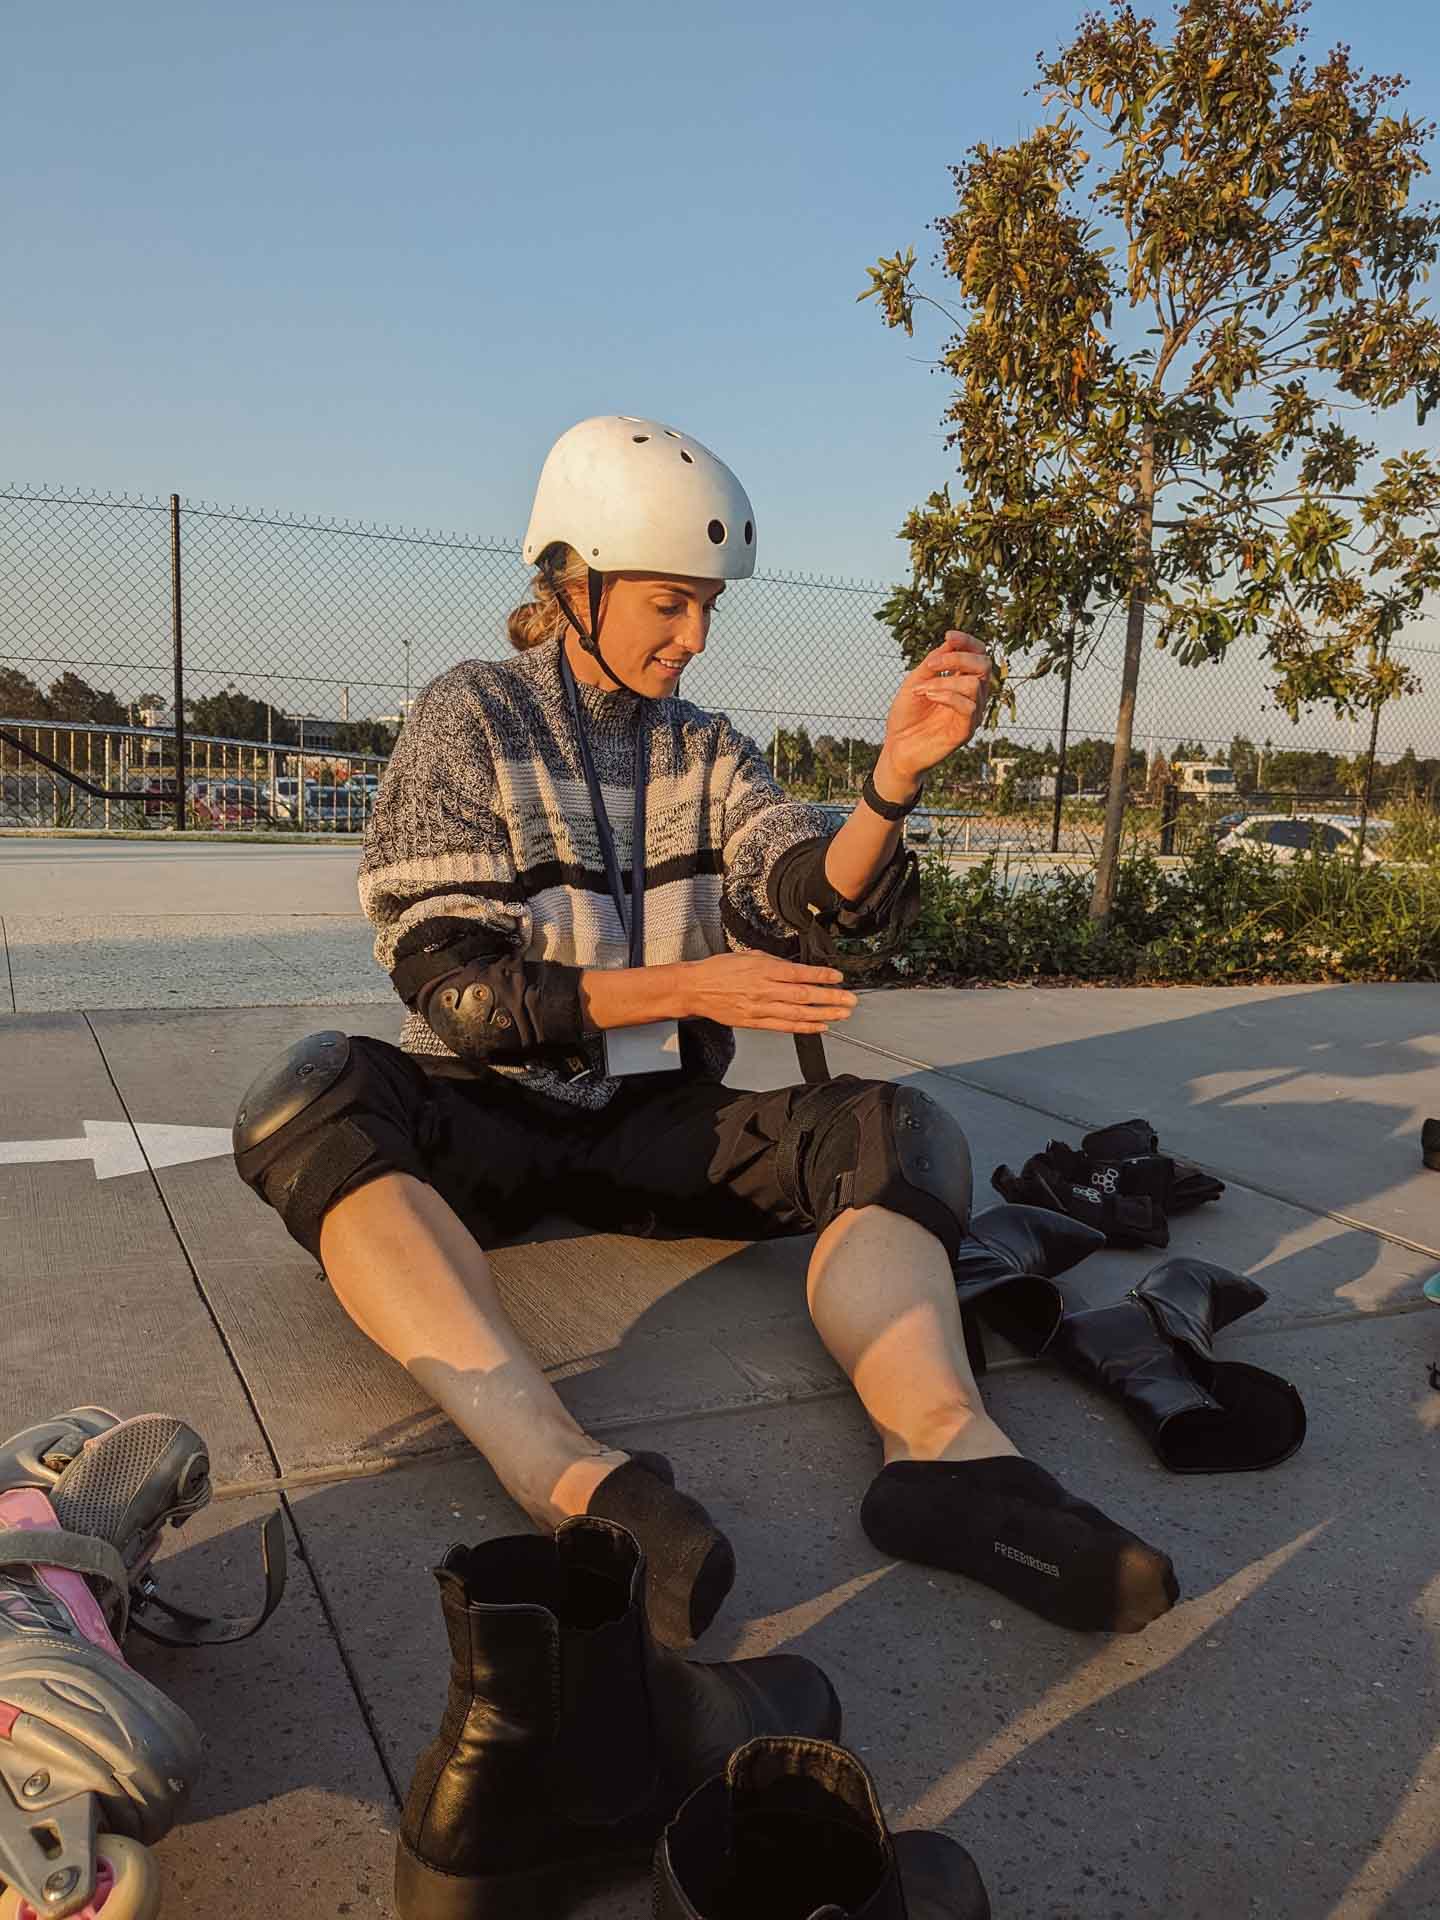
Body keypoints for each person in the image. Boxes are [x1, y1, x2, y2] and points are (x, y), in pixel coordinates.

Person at [233, 415, 1177, 1647]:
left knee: (896, 1129)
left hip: (657, 1123)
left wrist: (892, 782)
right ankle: (566, 1475)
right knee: (313, 1095)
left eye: (708, 608)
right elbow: (455, 991)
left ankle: (948, 1455)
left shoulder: (707, 746)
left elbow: (804, 889)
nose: (695, 637)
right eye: (669, 604)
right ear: (572, 581)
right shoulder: (471, 713)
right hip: (487, 1114)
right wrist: (690, 984)